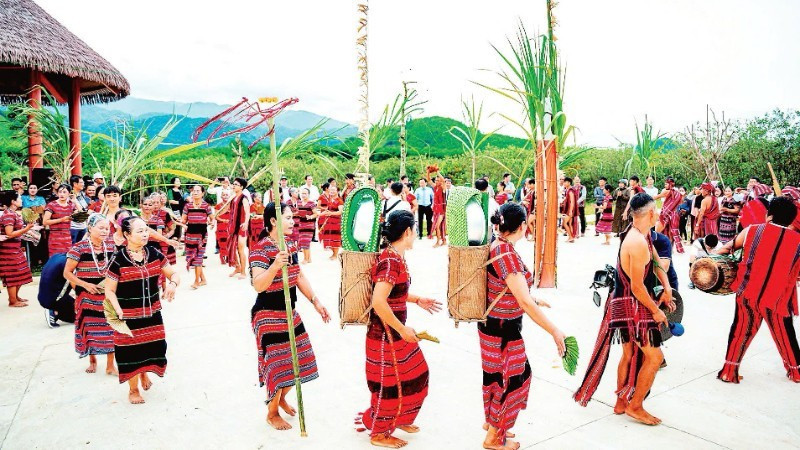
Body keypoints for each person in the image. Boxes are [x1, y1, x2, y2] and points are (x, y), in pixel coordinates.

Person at [575, 193, 675, 426]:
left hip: (623, 301)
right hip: (631, 304)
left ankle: (620, 403)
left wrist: (667, 286)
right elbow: (638, 287)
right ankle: (635, 405)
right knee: (655, 357)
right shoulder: (636, 242)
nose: (658, 214)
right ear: (650, 214)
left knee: (629, 354)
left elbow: (657, 258)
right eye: (656, 210)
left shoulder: (642, 234)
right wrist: (656, 311)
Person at [480, 203, 565, 449]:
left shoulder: (497, 245)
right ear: (522, 226)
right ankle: (493, 437)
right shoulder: (506, 254)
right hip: (503, 328)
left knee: (497, 376)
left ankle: (495, 425)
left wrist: (533, 299)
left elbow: (507, 288)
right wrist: (554, 331)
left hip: (492, 324)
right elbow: (524, 302)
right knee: (515, 378)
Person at [358, 210, 441, 448]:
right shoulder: (391, 260)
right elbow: (378, 302)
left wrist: (417, 300)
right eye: (414, 231)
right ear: (407, 232)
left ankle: (399, 418)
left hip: (393, 330)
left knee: (415, 375)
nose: (415, 236)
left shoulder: (394, 256)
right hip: (385, 333)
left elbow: (394, 294)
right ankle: (379, 433)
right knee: (390, 384)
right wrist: (402, 329)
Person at [249, 202, 330, 430]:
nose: (293, 221)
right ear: (273, 221)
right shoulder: (260, 249)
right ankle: (272, 412)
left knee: (300, 360)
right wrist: (274, 266)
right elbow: (258, 284)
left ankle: (281, 397)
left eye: (292, 217)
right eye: (287, 217)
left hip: (289, 312)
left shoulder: (291, 245)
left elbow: (299, 276)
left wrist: (316, 301)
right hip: (266, 315)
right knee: (277, 365)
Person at [716, 197, 800, 383]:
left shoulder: (752, 230)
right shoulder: (798, 241)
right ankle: (796, 372)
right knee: (785, 334)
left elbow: (727, 249)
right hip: (778, 298)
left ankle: (729, 372)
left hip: (747, 292)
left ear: (769, 215)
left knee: (740, 331)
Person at [104, 216, 180, 404]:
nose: (145, 234)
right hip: (128, 316)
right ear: (127, 235)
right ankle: (133, 390)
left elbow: (174, 273)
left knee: (150, 349)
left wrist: (172, 284)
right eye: (140, 231)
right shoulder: (118, 259)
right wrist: (118, 311)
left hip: (152, 313)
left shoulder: (154, 253)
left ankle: (144, 373)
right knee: (131, 353)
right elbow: (109, 291)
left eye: (146, 230)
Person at [64, 214, 117, 375]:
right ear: (90, 228)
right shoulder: (79, 248)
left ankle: (110, 365)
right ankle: (92, 360)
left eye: (107, 228)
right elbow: (67, 273)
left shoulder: (110, 245)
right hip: (86, 296)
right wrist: (85, 285)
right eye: (101, 228)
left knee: (111, 328)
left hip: (106, 294)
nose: (105, 231)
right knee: (89, 327)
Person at [1, 192, 38, 307]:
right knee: (13, 274)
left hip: (15, 248)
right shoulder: (8, 215)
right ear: (13, 201)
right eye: (19, 198)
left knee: (21, 272)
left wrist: (30, 229)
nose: (21, 200)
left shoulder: (14, 214)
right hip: (8, 250)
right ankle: (12, 301)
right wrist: (26, 228)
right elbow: (9, 233)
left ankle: (15, 297)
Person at [182, 185, 214, 289]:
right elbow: (183, 220)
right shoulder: (187, 206)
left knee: (198, 258)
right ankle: (203, 279)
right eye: (194, 191)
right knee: (194, 259)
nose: (195, 192)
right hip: (190, 236)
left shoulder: (206, 206)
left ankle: (196, 281)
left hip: (202, 236)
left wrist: (212, 222)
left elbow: (212, 218)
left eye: (197, 191)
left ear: (202, 193)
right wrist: (181, 223)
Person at [224, 178, 251, 279]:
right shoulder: (233, 198)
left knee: (240, 249)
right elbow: (228, 210)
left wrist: (246, 222)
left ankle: (243, 272)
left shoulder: (244, 198)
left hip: (241, 227)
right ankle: (237, 267)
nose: (233, 186)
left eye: (236, 184)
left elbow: (247, 211)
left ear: (241, 187)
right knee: (231, 248)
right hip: (232, 226)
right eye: (233, 184)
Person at [43, 184, 76, 256]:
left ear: (69, 193)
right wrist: (61, 220)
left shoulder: (71, 205)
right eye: (60, 192)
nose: (62, 194)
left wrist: (75, 200)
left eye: (64, 192)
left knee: (66, 258)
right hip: (55, 237)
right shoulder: (51, 205)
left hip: (67, 236)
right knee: (54, 259)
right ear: (57, 193)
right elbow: (45, 222)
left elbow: (80, 215)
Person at [653, 176, 685, 252]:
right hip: (674, 214)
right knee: (672, 232)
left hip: (666, 214)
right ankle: (673, 248)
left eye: (666, 184)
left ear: (670, 184)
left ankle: (655, 246)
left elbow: (656, 197)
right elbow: (681, 202)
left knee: (658, 231)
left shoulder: (667, 191)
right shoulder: (678, 193)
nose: (665, 186)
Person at [317, 183, 343, 260]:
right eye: (331, 190)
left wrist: (331, 213)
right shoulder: (330, 200)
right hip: (329, 222)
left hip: (336, 222)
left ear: (337, 191)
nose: (332, 191)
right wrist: (320, 214)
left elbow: (340, 212)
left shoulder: (339, 201)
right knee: (329, 238)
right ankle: (333, 254)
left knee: (335, 238)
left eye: (334, 190)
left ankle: (335, 255)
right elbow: (327, 210)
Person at [294, 187, 316, 264]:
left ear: (308, 194)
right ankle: (309, 258)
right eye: (302, 193)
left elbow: (316, 214)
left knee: (306, 241)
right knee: (303, 241)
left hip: (309, 225)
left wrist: (310, 217)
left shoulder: (311, 203)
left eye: (305, 193)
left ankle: (305, 259)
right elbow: (297, 212)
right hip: (301, 224)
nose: (303, 195)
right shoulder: (299, 202)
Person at [428, 171, 447, 247]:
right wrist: (428, 172)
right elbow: (429, 180)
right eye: (435, 180)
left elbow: (443, 179)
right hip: (435, 209)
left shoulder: (443, 187)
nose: (436, 181)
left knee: (437, 226)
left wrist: (437, 172)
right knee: (440, 226)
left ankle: (438, 242)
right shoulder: (435, 187)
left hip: (441, 210)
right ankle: (444, 240)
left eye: (438, 180)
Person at [68, 175, 90, 244]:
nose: (83, 184)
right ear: (74, 184)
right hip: (73, 226)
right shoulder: (69, 196)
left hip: (83, 225)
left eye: (83, 182)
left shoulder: (82, 195)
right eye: (81, 182)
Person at [214, 190, 231, 262]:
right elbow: (216, 216)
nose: (225, 196)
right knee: (222, 241)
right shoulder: (218, 206)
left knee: (229, 241)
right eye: (224, 195)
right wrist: (223, 220)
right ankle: (222, 255)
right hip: (221, 225)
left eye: (227, 195)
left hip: (230, 225)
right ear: (221, 196)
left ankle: (228, 255)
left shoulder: (232, 205)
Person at [561, 177, 579, 242]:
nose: (564, 183)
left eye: (565, 182)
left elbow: (572, 201)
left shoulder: (571, 190)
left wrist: (571, 211)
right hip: (569, 209)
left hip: (570, 209)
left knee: (565, 223)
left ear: (568, 182)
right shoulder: (568, 189)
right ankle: (571, 237)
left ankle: (571, 236)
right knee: (570, 223)